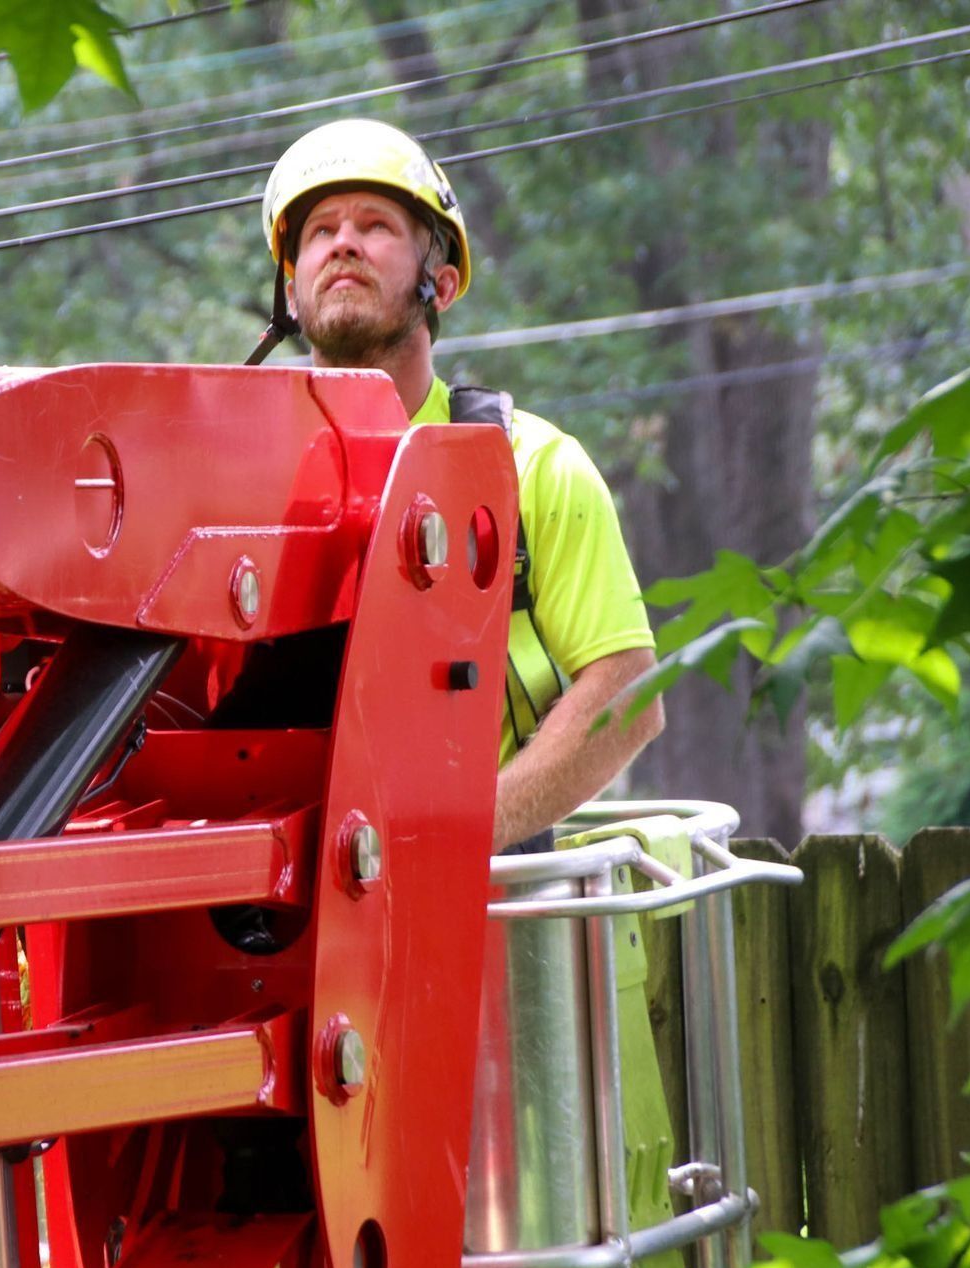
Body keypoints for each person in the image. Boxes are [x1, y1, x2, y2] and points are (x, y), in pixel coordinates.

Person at [255, 118, 664, 855]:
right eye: (319, 231)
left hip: (487, 906)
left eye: (376, 225)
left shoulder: (531, 468)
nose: (343, 243)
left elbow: (628, 694)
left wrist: (455, 839)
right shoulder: (240, 484)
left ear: (438, 282)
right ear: (292, 287)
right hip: (281, 914)